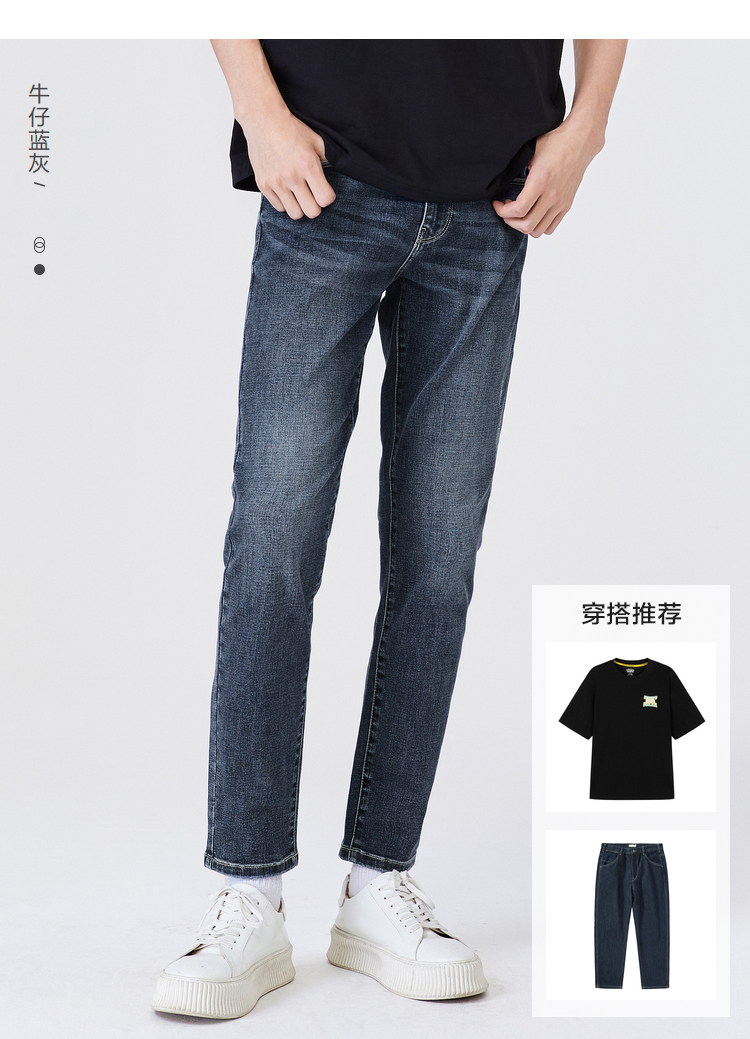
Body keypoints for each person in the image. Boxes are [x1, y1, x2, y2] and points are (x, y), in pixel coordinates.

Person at [151, 38, 627, 1019]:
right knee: (274, 541)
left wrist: (587, 126)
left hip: (489, 198)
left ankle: (380, 880)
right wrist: (260, 113)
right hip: (324, 178)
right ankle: (249, 891)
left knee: (440, 558)